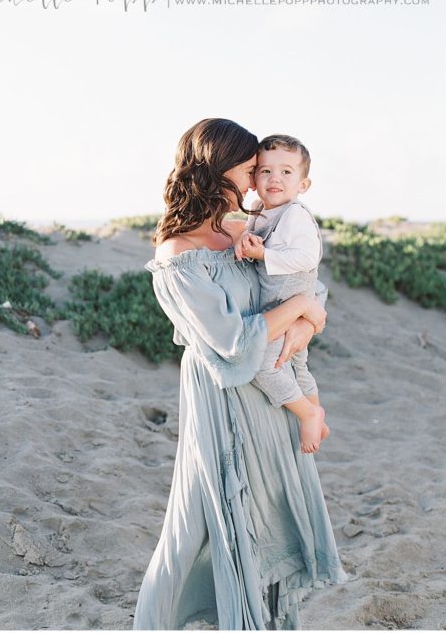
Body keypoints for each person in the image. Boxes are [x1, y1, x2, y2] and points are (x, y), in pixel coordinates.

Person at [134, 118, 346, 629]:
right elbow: (232, 341)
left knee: (262, 518)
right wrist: (300, 307)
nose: (257, 183)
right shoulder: (178, 255)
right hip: (224, 395)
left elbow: (300, 283)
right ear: (219, 169)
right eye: (250, 170)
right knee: (198, 525)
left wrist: (308, 315)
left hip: (268, 396)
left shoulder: (238, 230)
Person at [237, 134, 329, 454]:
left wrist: (264, 256)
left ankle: (307, 413)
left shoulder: (295, 215)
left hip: (290, 297)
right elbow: (254, 239)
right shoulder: (260, 208)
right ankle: (319, 418)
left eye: (287, 172)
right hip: (279, 300)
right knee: (298, 364)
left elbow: (307, 258)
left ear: (303, 185)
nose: (275, 178)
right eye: (265, 171)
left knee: (266, 364)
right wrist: (250, 245)